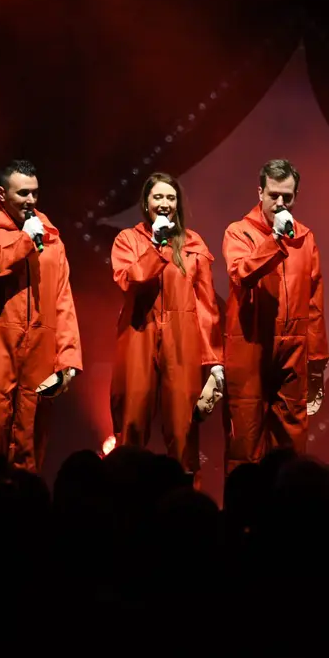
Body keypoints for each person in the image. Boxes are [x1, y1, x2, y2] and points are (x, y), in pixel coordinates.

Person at [0, 160, 82, 472]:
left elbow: (63, 299)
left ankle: (27, 508)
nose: (31, 201)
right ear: (1, 194)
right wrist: (24, 242)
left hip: (40, 344)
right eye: (23, 193)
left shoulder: (51, 238)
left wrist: (68, 360)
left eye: (35, 194)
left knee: (31, 434)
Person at [109, 172, 223, 480]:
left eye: (170, 198)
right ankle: (127, 497)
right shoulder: (128, 240)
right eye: (158, 197)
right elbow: (129, 278)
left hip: (181, 339)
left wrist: (213, 361)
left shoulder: (192, 244)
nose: (164, 203)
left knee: (183, 425)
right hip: (139, 333)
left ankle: (184, 504)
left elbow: (205, 306)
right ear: (146, 204)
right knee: (132, 419)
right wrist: (156, 245)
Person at [221, 159, 327, 474]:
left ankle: (290, 514)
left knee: (291, 440)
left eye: (287, 197)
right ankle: (244, 518)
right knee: (246, 441)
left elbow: (314, 299)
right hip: (250, 344)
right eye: (273, 195)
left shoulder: (305, 237)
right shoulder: (238, 231)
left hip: (293, 347)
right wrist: (275, 241)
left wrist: (317, 360)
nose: (280, 203)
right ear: (260, 192)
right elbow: (241, 273)